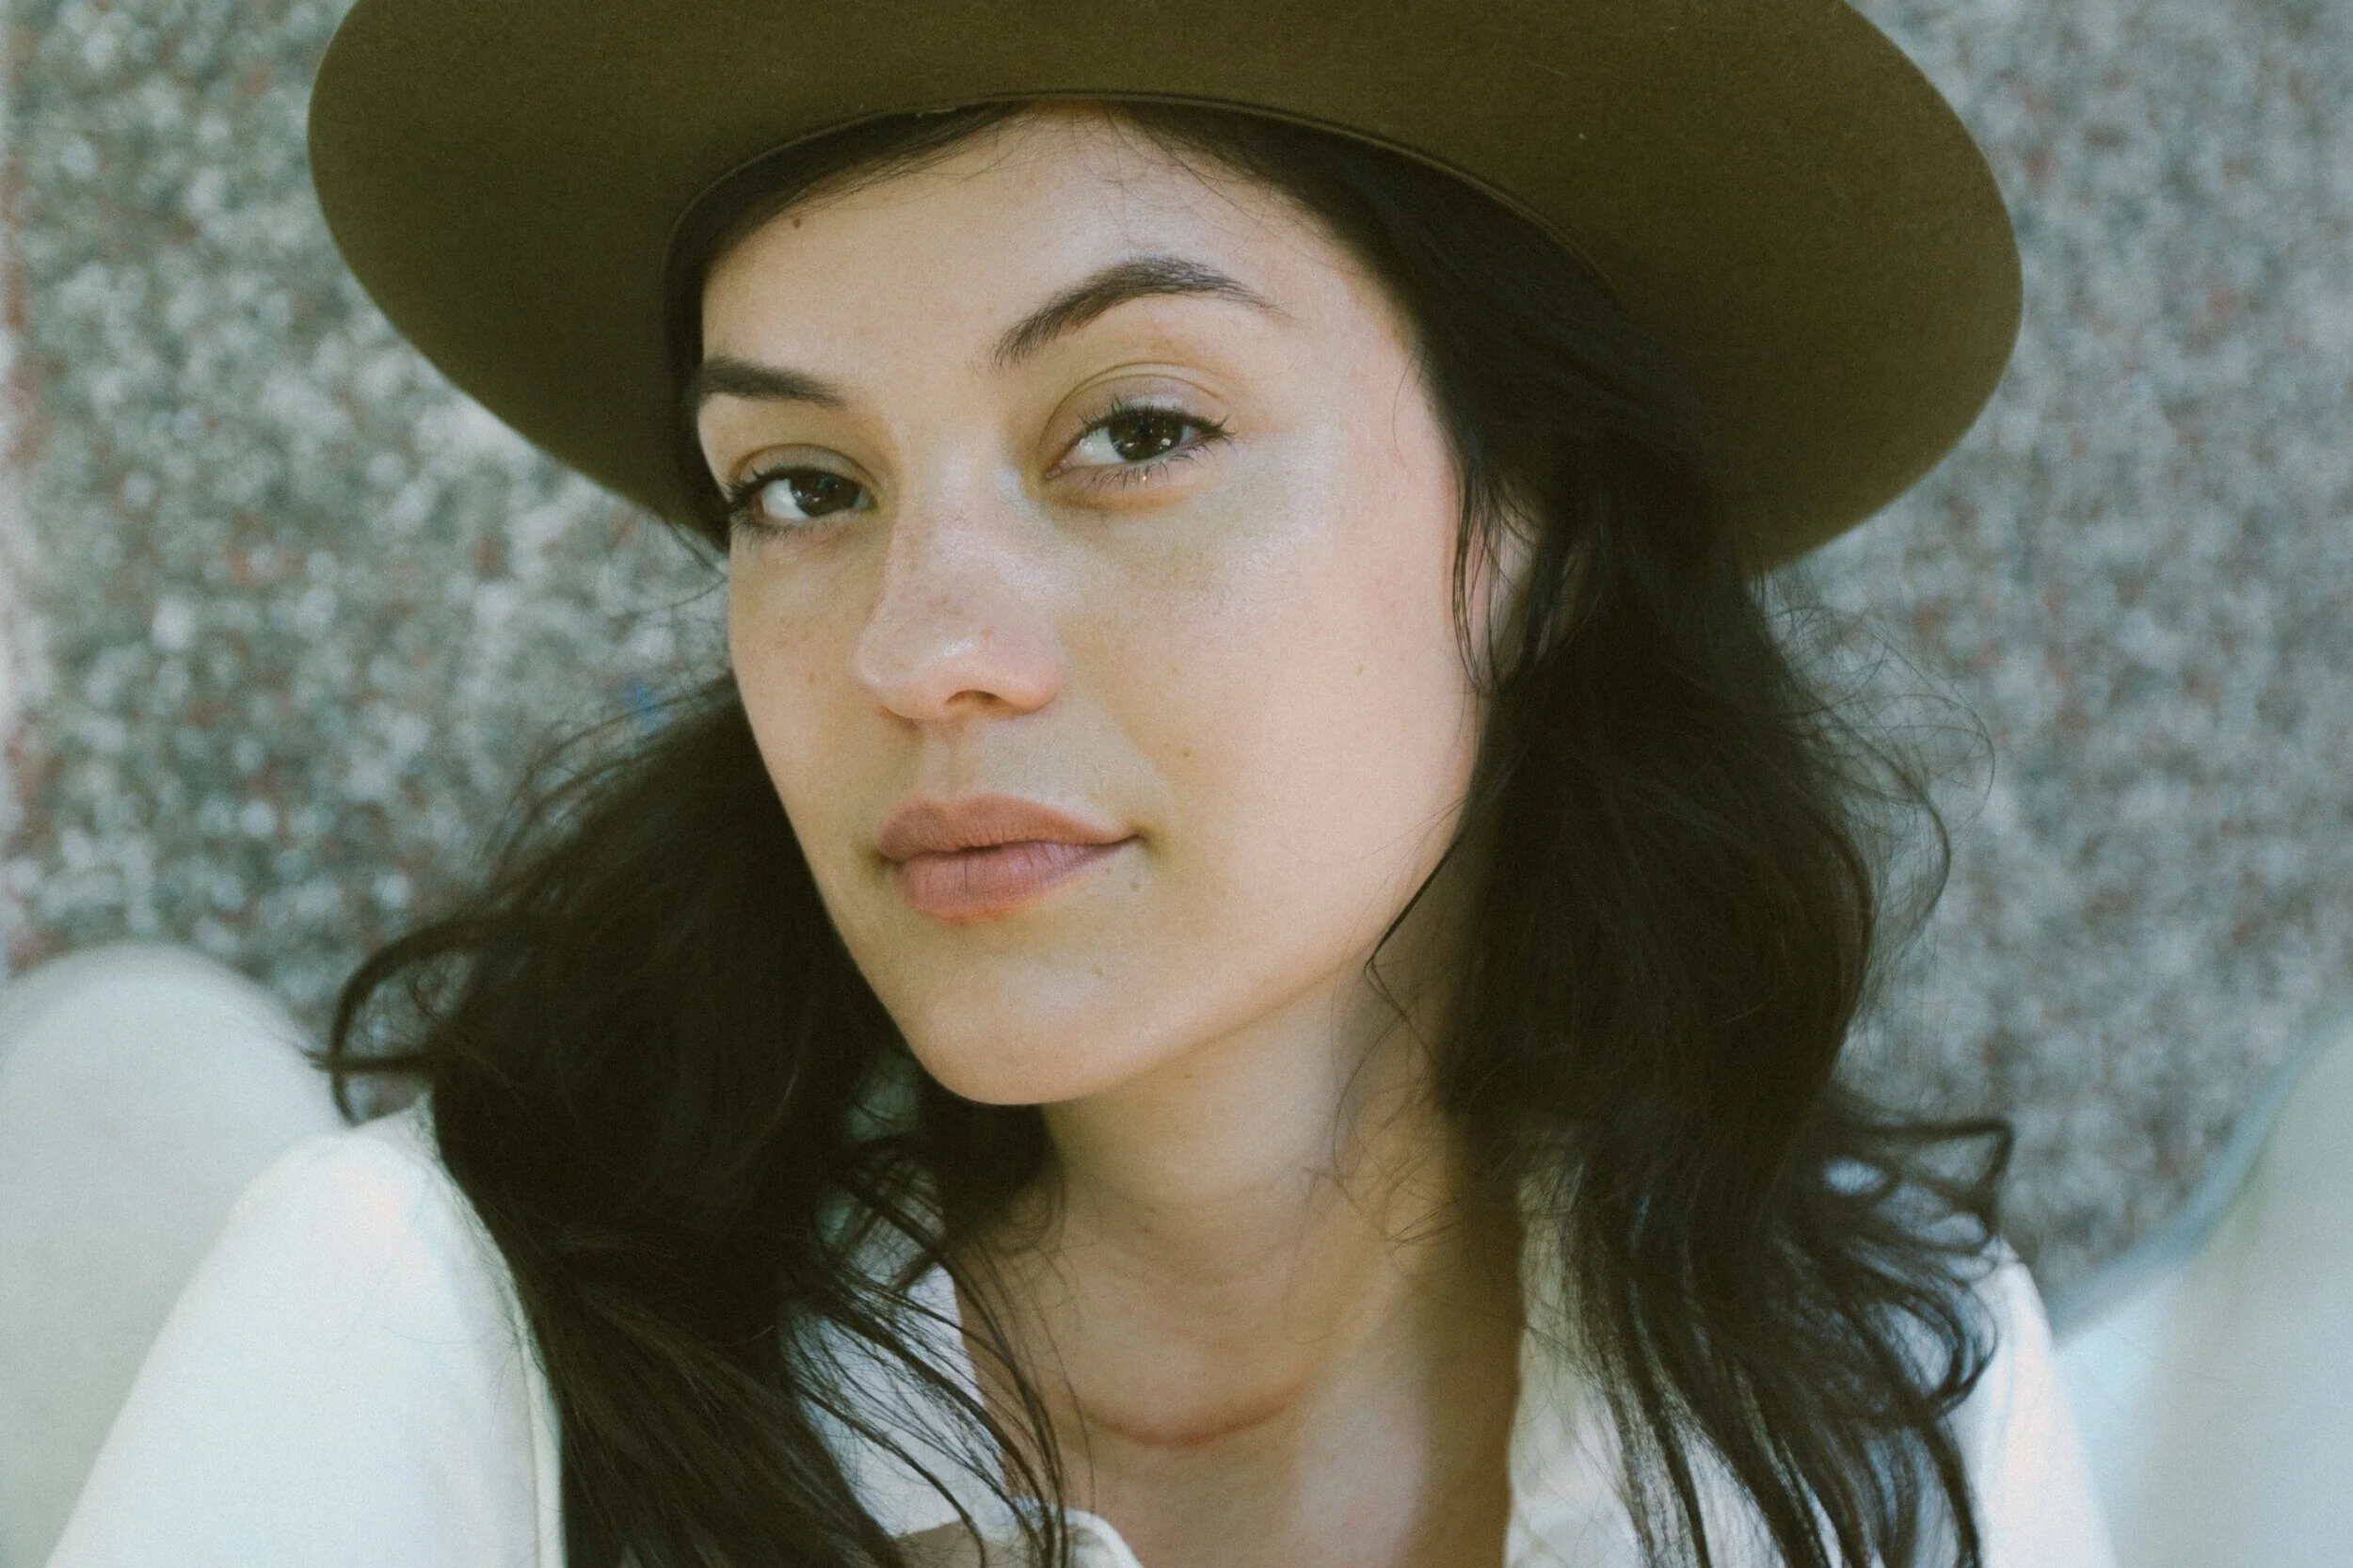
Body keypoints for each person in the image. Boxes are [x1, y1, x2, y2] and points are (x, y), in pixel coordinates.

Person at [43, 2, 2117, 1565]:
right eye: (802, 485)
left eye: (1134, 432)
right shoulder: (438, 1355)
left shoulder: (1882, 1406)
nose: (916, 647)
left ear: (1542, 529)